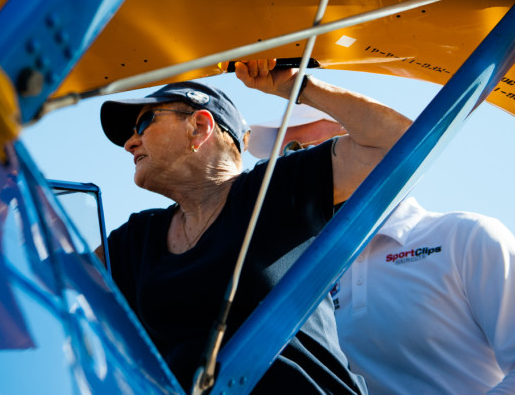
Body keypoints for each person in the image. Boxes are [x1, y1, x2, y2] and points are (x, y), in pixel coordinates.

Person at [96, 60, 411, 392]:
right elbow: (54, 282)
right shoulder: (136, 239)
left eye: (144, 123)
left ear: (199, 128)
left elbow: (400, 144)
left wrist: (297, 88)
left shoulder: (274, 189)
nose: (130, 143)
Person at [247, 112, 515, 394]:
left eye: (300, 149)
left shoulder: (463, 236)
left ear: (363, 141)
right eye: (284, 156)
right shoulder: (291, 282)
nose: (290, 167)